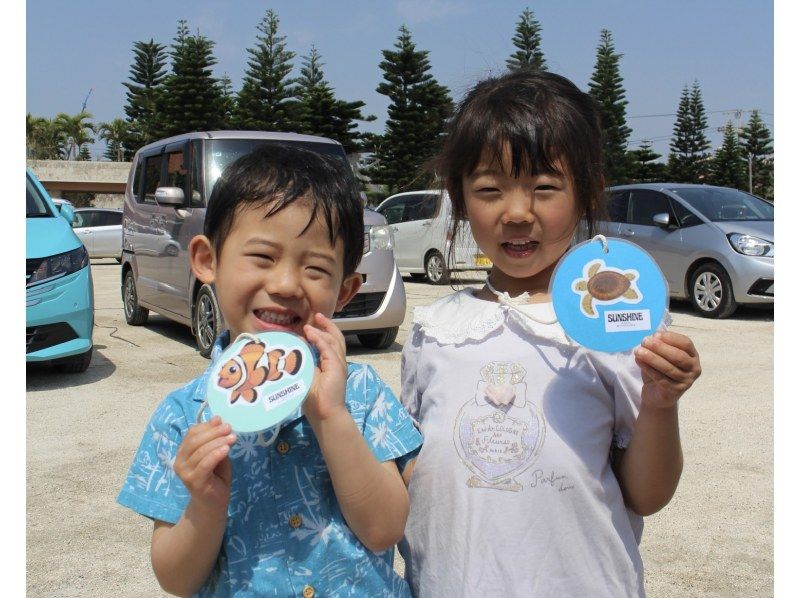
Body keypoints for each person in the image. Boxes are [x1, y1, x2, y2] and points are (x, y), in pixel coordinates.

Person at [396, 69, 702, 597]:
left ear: (587, 193)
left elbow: (648, 495)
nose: (517, 212)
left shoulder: (616, 330)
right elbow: (411, 475)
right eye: (489, 189)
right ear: (459, 199)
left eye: (544, 187)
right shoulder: (435, 331)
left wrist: (660, 404)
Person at [117, 144, 422, 597]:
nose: (285, 285)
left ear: (344, 291)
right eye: (262, 257)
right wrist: (205, 504)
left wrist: (332, 418)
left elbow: (385, 529)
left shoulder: (361, 394)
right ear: (207, 260)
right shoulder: (183, 416)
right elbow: (175, 579)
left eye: (315, 268)